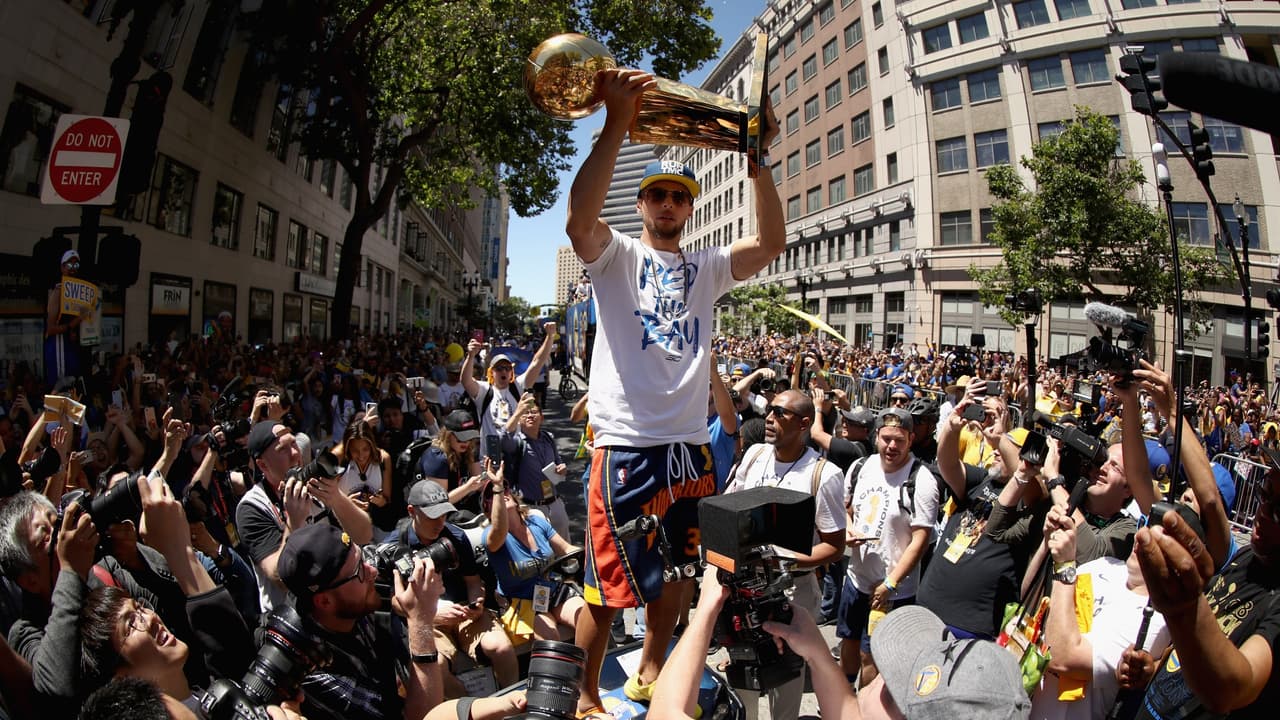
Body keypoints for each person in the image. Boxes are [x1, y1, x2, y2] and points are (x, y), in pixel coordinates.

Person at [563, 65, 782, 715]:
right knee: (607, 590)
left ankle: (652, 668)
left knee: (680, 575)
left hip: (689, 449)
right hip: (626, 448)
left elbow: (771, 242)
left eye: (678, 197)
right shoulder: (616, 256)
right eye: (656, 194)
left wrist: (756, 159)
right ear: (641, 204)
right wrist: (616, 123)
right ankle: (583, 697)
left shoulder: (707, 266)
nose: (667, 204)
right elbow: (578, 221)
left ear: (689, 209)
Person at [723, 389, 845, 720]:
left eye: (780, 413)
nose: (769, 418)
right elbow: (730, 505)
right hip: (744, 588)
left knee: (785, 680)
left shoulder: (824, 474)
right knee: (743, 676)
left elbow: (834, 546)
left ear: (804, 424)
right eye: (770, 410)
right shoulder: (755, 454)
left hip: (792, 590)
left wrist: (782, 560)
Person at [1132, 449, 1280, 719]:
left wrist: (1185, 608)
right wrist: (1154, 668)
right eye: (1265, 493)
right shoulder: (1248, 557)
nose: (1263, 512)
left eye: (1279, 510)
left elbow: (1231, 690)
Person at [277, 522, 444, 720]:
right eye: (359, 571)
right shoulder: (311, 670)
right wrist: (420, 620)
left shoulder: (345, 595)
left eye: (362, 557)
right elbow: (424, 717)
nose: (372, 571)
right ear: (324, 601)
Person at [383, 479, 518, 696]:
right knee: (436, 666)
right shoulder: (395, 546)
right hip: (425, 618)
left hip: (462, 611)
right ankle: (475, 706)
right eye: (432, 516)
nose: (440, 523)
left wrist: (476, 603)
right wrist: (429, 614)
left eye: (444, 515)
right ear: (412, 511)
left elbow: (473, 582)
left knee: (501, 648)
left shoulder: (456, 536)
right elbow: (394, 602)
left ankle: (512, 701)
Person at [839, 407, 940, 685]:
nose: (891, 446)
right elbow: (845, 509)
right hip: (856, 579)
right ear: (876, 437)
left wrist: (891, 583)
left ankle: (865, 705)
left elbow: (920, 540)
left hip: (892, 590)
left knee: (871, 656)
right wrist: (848, 529)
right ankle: (844, 699)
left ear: (911, 439)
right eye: (886, 439)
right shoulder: (861, 467)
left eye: (899, 440)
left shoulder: (921, 480)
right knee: (848, 642)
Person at [234, 421, 373, 614]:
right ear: (263, 465)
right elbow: (279, 578)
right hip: (294, 615)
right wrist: (294, 523)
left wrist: (336, 498)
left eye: (294, 443)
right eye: (283, 449)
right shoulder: (253, 507)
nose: (295, 454)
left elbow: (364, 535)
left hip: (338, 602)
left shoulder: (313, 485)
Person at [483, 476, 584, 643]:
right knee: (550, 638)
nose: (502, 494)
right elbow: (499, 531)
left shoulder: (536, 522)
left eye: (505, 489)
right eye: (492, 495)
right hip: (523, 601)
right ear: (487, 509)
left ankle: (596, 660)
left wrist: (592, 554)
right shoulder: (491, 535)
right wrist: (498, 488)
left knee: (588, 621)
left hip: (551, 590)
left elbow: (566, 549)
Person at [459, 323, 556, 462]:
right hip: (490, 457)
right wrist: (470, 355)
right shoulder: (484, 390)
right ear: (491, 372)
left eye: (507, 368)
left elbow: (537, 362)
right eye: (499, 369)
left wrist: (550, 337)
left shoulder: (518, 387)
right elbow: (466, 381)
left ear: (512, 372)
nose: (503, 371)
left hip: (516, 457)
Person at [498, 393, 570, 538]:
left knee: (565, 546)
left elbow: (559, 461)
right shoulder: (517, 443)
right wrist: (517, 412)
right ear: (519, 420)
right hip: (531, 507)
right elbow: (503, 439)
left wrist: (562, 468)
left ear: (542, 418)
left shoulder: (548, 438)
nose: (530, 416)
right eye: (525, 413)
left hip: (554, 503)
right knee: (539, 547)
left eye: (534, 412)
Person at [417, 410, 485, 520]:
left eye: (469, 437)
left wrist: (491, 477)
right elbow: (438, 503)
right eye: (461, 438)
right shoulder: (436, 458)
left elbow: (480, 486)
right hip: (437, 516)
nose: (466, 442)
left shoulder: (470, 451)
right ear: (448, 435)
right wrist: (467, 488)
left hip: (460, 509)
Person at [333, 419, 394, 514]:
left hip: (374, 518)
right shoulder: (340, 461)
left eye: (365, 449)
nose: (361, 456)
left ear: (371, 446)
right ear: (348, 448)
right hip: (345, 517)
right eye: (355, 450)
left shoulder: (383, 459)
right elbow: (328, 499)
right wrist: (347, 503)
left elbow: (387, 500)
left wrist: (380, 501)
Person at [44, 249, 85, 388]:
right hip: (58, 347)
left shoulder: (75, 293)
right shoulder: (58, 292)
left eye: (76, 265)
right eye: (69, 265)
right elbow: (50, 329)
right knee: (60, 387)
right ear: (62, 267)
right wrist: (73, 324)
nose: (73, 268)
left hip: (69, 346)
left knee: (72, 386)